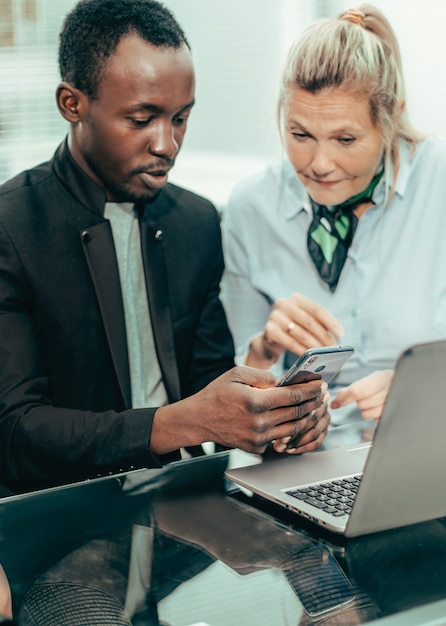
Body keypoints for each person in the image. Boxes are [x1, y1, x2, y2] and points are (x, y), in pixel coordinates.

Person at [0, 0, 329, 495]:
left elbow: (211, 385)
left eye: (180, 118)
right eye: (142, 119)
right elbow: (16, 431)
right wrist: (179, 424)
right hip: (58, 517)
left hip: (186, 508)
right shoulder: (12, 227)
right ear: (73, 104)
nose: (167, 144)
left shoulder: (196, 221)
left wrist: (273, 420)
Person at [220, 4, 446, 426]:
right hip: (304, 466)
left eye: (345, 138)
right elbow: (236, 399)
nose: (319, 163)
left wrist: (424, 388)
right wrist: (266, 350)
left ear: (391, 119)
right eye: (300, 135)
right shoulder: (250, 208)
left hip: (434, 440)